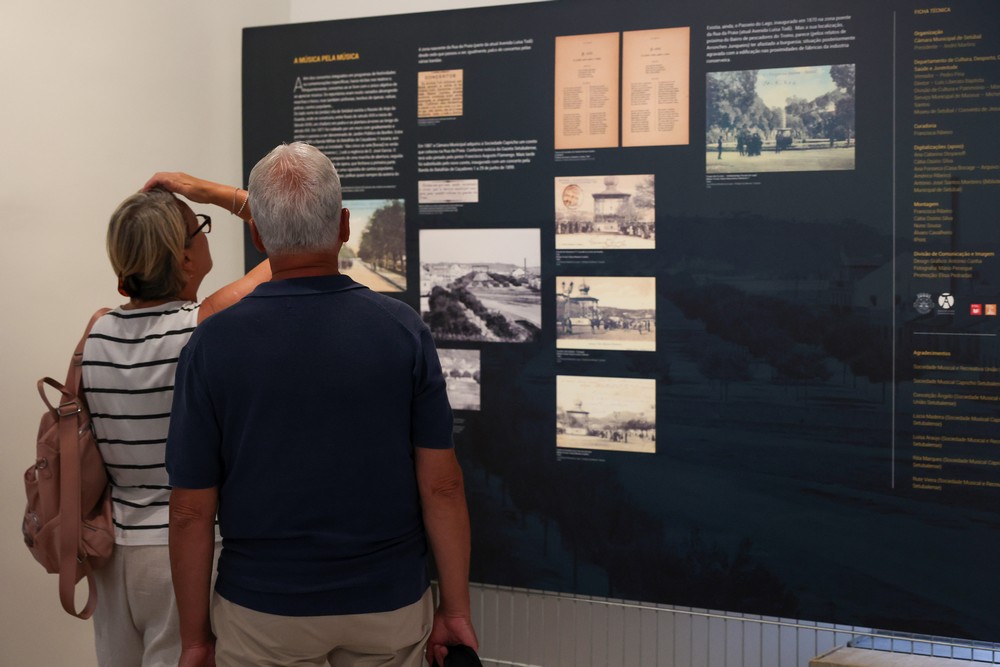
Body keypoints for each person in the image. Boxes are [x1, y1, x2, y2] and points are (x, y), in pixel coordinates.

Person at [166, 142, 478, 667]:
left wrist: (196, 639)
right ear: (344, 226)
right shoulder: (403, 331)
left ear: (258, 235)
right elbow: (442, 485)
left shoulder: (212, 343)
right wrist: (456, 607)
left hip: (263, 607)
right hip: (388, 601)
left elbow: (192, 510)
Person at [82, 176, 271, 666]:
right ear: (184, 257)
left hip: (113, 550)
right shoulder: (199, 325)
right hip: (181, 555)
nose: (206, 233)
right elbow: (292, 238)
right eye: (200, 228)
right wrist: (210, 193)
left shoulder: (96, 333)